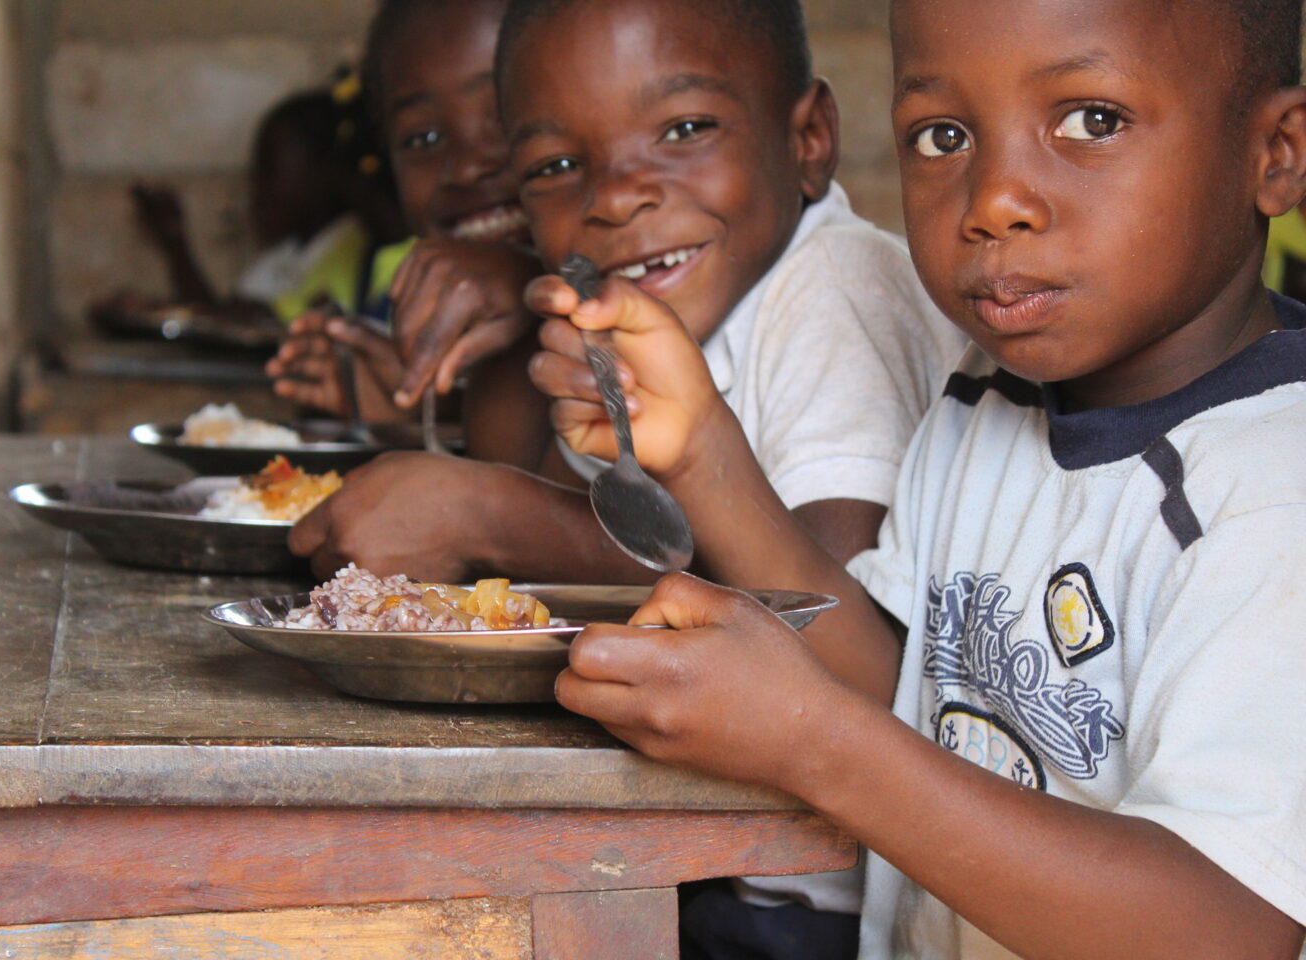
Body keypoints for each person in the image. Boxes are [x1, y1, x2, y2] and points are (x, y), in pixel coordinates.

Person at [531, 0, 1306, 957]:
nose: (993, 200)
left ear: (1276, 154)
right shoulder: (990, 402)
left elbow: (1221, 930)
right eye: (943, 136)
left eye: (1091, 121)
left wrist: (815, 744)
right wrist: (699, 453)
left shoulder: (1276, 488)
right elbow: (904, 683)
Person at [289, 0, 964, 597]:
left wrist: (491, 518)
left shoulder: (841, 293)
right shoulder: (628, 307)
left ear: (809, 139)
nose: (613, 196)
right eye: (556, 167)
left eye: (684, 129)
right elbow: (549, 487)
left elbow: (827, 621)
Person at [264, 0, 550, 459]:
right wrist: (411, 411)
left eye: (504, 110)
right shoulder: (424, 297)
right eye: (424, 139)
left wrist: (532, 287)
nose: (469, 166)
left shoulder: (670, 292)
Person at [92, 73, 406, 348]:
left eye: (268, 170)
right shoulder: (290, 254)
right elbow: (225, 321)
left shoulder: (351, 247)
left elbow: (260, 323)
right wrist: (174, 246)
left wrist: (163, 311)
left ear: (327, 171)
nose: (256, 189)